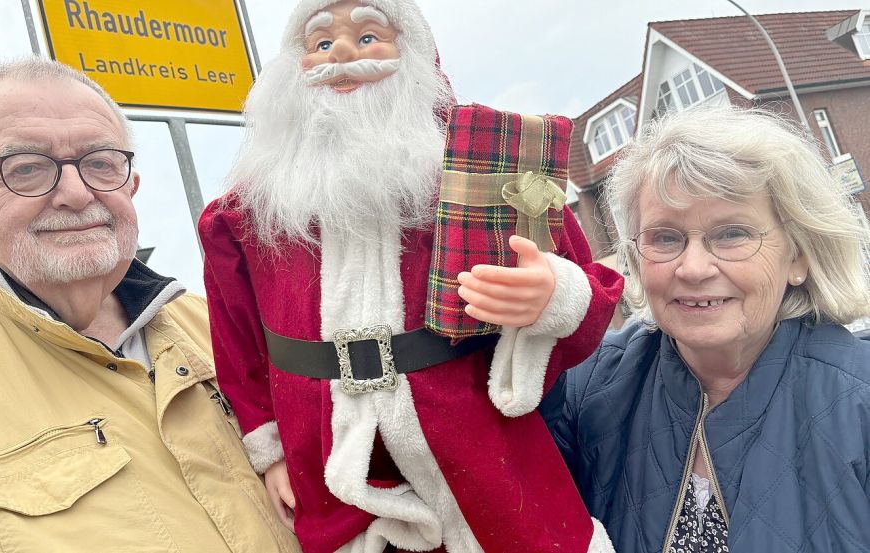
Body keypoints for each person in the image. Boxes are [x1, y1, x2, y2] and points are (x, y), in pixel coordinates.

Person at [199, 1, 623, 552]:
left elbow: (588, 287)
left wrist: (553, 296)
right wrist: (271, 452)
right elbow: (240, 350)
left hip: (486, 463)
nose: (343, 55)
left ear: (416, 54)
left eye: (370, 35)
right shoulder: (247, 215)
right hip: (332, 472)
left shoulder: (489, 169)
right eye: (321, 43)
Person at [0, 58, 299, 552]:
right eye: (26, 168)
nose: (76, 194)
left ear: (132, 186)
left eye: (101, 162)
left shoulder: (225, 329)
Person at [541, 105, 870, 553]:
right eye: (665, 238)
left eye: (732, 234)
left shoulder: (858, 400)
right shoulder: (586, 387)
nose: (693, 268)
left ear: (798, 255)